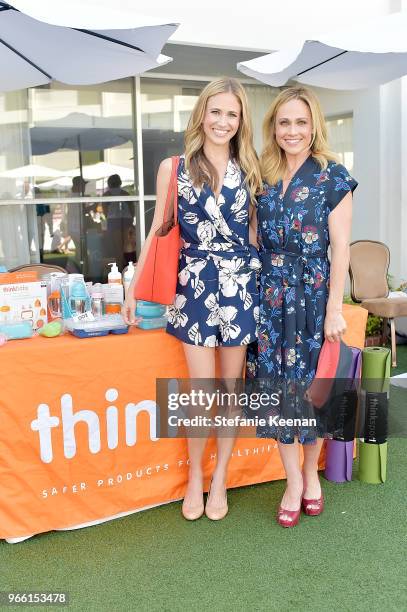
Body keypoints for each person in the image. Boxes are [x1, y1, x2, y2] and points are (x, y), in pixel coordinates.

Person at [122, 77, 262, 521]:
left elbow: (257, 237)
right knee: (201, 393)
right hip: (194, 286)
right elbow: (159, 231)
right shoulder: (175, 167)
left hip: (240, 286)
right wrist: (134, 286)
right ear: (202, 113)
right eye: (216, 111)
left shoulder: (253, 169)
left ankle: (220, 478)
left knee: (230, 389)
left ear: (241, 122)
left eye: (232, 114)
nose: (223, 121)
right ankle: (196, 479)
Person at [247, 86, 357, 527]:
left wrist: (334, 309)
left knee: (311, 395)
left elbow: (342, 249)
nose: (292, 131)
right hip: (269, 300)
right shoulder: (263, 175)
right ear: (273, 127)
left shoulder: (333, 176)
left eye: (301, 122)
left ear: (314, 127)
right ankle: (292, 480)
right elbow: (254, 239)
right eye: (284, 122)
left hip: (312, 297)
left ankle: (311, 474)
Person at [104, 174, 135, 268]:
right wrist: (131, 219)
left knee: (118, 247)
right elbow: (132, 209)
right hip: (126, 219)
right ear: (120, 182)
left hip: (113, 221)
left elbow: (105, 210)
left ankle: (121, 267)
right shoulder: (125, 193)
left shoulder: (106, 195)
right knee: (126, 245)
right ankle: (126, 266)